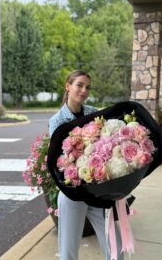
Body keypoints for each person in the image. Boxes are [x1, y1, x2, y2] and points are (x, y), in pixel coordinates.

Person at [49, 70, 124, 260]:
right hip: (72, 193)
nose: (84, 90)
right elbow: (59, 161)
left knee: (116, 245)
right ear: (68, 86)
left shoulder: (93, 113)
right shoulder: (57, 121)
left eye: (87, 87)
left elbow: (108, 143)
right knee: (69, 250)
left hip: (98, 190)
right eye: (79, 85)